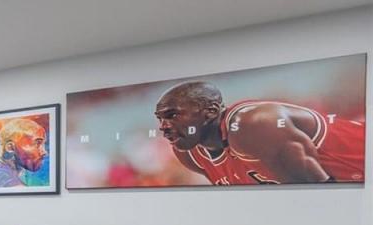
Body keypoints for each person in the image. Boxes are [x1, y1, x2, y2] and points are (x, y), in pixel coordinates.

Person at [154, 81, 364, 184]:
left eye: (172, 115)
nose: (163, 125)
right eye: (160, 118)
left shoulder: (253, 124)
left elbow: (322, 194)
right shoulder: (188, 152)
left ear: (211, 111)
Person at [0, 117, 47, 188]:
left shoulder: (0, 174)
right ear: (10, 147)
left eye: (43, 144)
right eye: (37, 143)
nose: (44, 152)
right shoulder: (0, 176)